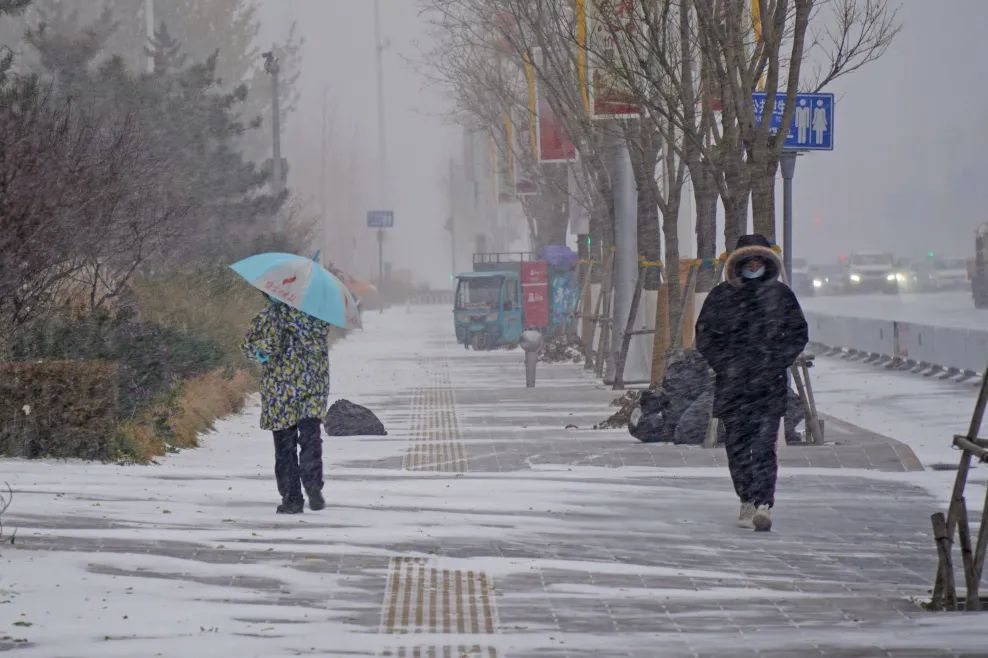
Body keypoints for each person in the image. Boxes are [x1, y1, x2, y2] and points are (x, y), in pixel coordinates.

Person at [695, 235, 808, 531]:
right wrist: (726, 364)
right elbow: (705, 336)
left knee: (764, 444)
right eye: (748, 262)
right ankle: (746, 498)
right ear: (739, 264)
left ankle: (764, 503)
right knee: (737, 445)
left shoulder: (781, 296)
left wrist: (775, 360)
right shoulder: (721, 296)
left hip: (768, 386)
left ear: (767, 263)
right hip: (733, 387)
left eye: (759, 261)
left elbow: (798, 334)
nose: (754, 266)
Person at [242, 295, 331, 514]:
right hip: (312, 386)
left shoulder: (267, 317)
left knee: (284, 447)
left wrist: (261, 350)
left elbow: (249, 347)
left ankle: (292, 498)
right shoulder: (316, 318)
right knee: (311, 439)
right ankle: (312, 484)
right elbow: (318, 343)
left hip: (280, 390)